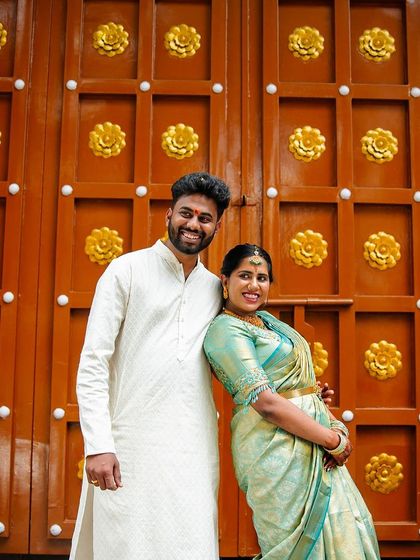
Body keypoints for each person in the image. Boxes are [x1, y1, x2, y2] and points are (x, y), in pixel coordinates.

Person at [70, 172, 231, 560]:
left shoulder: (215, 289)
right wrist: (98, 445)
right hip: (128, 446)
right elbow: (93, 362)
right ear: (168, 213)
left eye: (204, 218)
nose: (193, 224)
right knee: (126, 545)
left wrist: (303, 390)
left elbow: (250, 352)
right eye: (186, 213)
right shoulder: (126, 271)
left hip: (193, 448)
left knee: (191, 544)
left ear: (216, 226)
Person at [203, 244, 380, 560]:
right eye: (245, 275)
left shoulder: (267, 322)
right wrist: (331, 440)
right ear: (224, 280)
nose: (254, 285)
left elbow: (290, 385)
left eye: (262, 277)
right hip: (277, 454)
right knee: (292, 546)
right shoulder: (225, 330)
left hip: (314, 445)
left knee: (343, 531)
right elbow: (266, 403)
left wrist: (310, 397)